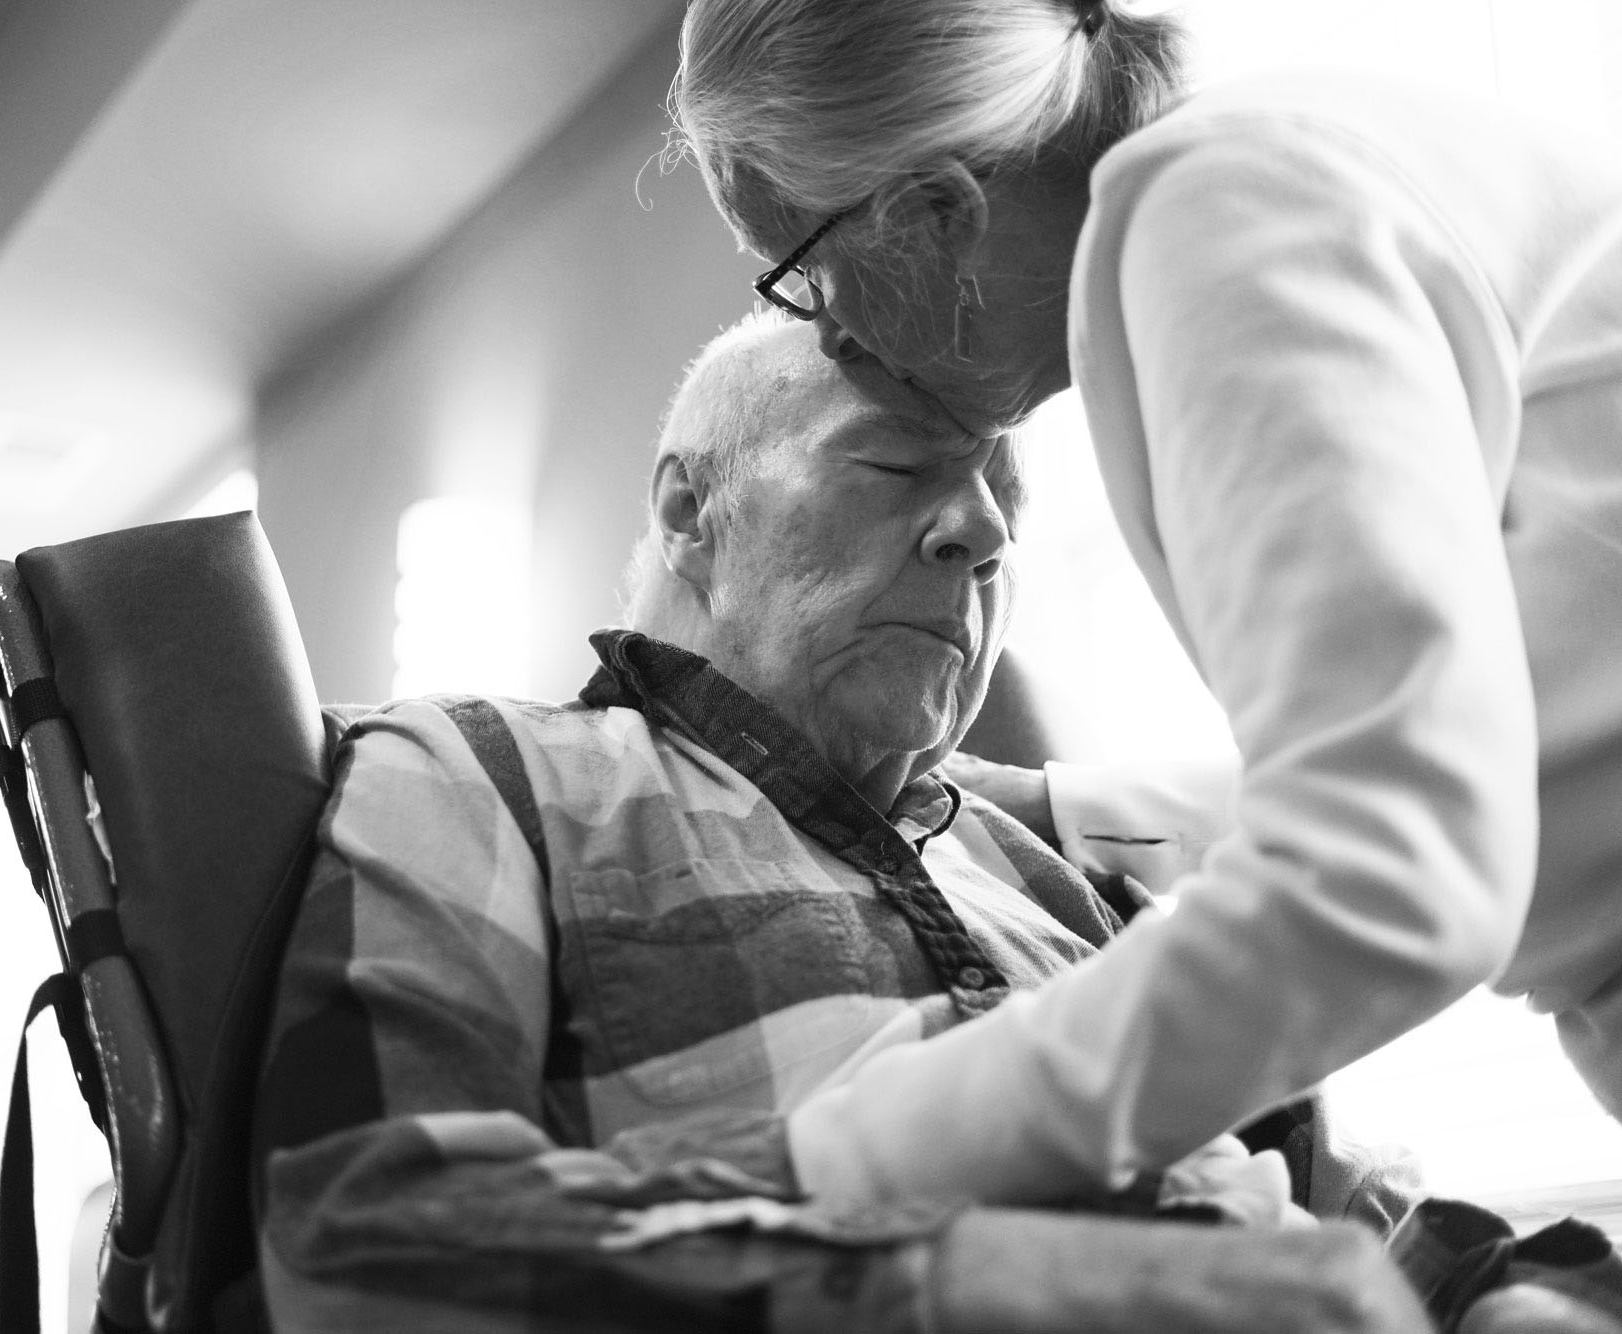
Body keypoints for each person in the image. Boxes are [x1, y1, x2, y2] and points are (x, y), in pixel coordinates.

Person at [249, 310, 1432, 1333]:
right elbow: (368, 1237)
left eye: (1002, 502)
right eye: (891, 466)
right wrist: (974, 1281)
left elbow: (1330, 1198)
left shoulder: (1038, 867)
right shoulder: (479, 771)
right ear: (688, 509)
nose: (980, 533)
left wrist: (1492, 1286)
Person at [670, 0, 1622, 1220]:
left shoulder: (1215, 210)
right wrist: (1076, 810)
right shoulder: (1292, 164)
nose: (829, 338)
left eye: (801, 274)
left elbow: (1391, 878)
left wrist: (826, 1164)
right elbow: (1492, 749)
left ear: (933, 209)